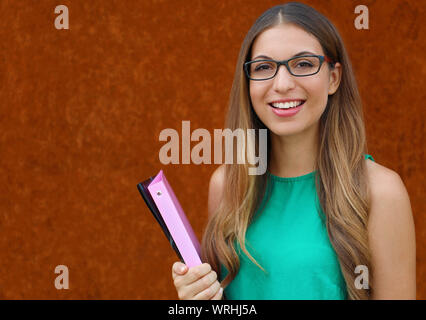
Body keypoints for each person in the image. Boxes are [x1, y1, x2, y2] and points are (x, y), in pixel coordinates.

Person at [171, 2, 416, 300]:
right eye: (263, 67)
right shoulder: (227, 184)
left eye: (303, 64)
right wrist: (197, 301)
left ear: (333, 78)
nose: (282, 84)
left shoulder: (380, 192)